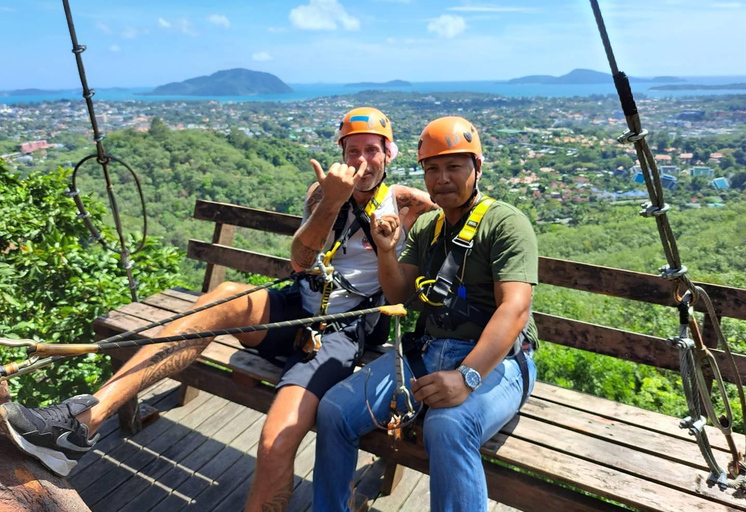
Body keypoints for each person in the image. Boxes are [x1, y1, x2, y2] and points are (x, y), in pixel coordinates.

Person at [0, 107, 436, 511]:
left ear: (388, 155)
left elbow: (449, 223)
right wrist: (332, 202)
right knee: (220, 297)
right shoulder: (323, 192)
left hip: (341, 330)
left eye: (373, 150)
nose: (362, 160)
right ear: (340, 153)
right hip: (298, 305)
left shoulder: (407, 203)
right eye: (353, 149)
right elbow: (301, 262)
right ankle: (81, 422)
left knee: (274, 443)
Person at [312, 116, 539, 512]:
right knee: (334, 410)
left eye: (454, 166)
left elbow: (515, 308)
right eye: (432, 168)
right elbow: (399, 290)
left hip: (500, 359)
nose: (442, 178)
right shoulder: (428, 227)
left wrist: (468, 376)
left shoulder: (506, 223)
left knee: (448, 426)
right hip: (431, 349)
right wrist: (386, 251)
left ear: (477, 167)